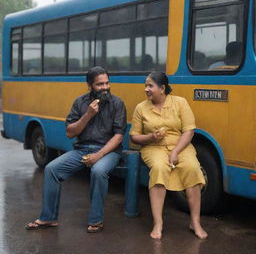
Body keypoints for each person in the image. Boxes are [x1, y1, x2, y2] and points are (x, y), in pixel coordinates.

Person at [25, 66, 127, 233]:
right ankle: (48, 218)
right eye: (100, 84)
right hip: (82, 149)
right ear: (89, 85)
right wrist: (88, 115)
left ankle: (96, 221)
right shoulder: (80, 102)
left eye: (107, 83)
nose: (105, 87)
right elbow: (70, 132)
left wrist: (98, 155)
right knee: (51, 169)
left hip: (108, 151)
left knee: (98, 171)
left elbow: (118, 137)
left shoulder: (117, 103)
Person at [129, 71, 208, 240]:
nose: (146, 89)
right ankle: (158, 223)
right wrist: (151, 137)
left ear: (162, 88)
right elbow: (134, 137)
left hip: (180, 145)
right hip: (153, 147)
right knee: (159, 168)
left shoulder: (180, 103)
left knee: (192, 168)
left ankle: (195, 222)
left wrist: (175, 151)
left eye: (150, 86)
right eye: (145, 85)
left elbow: (189, 130)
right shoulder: (141, 108)